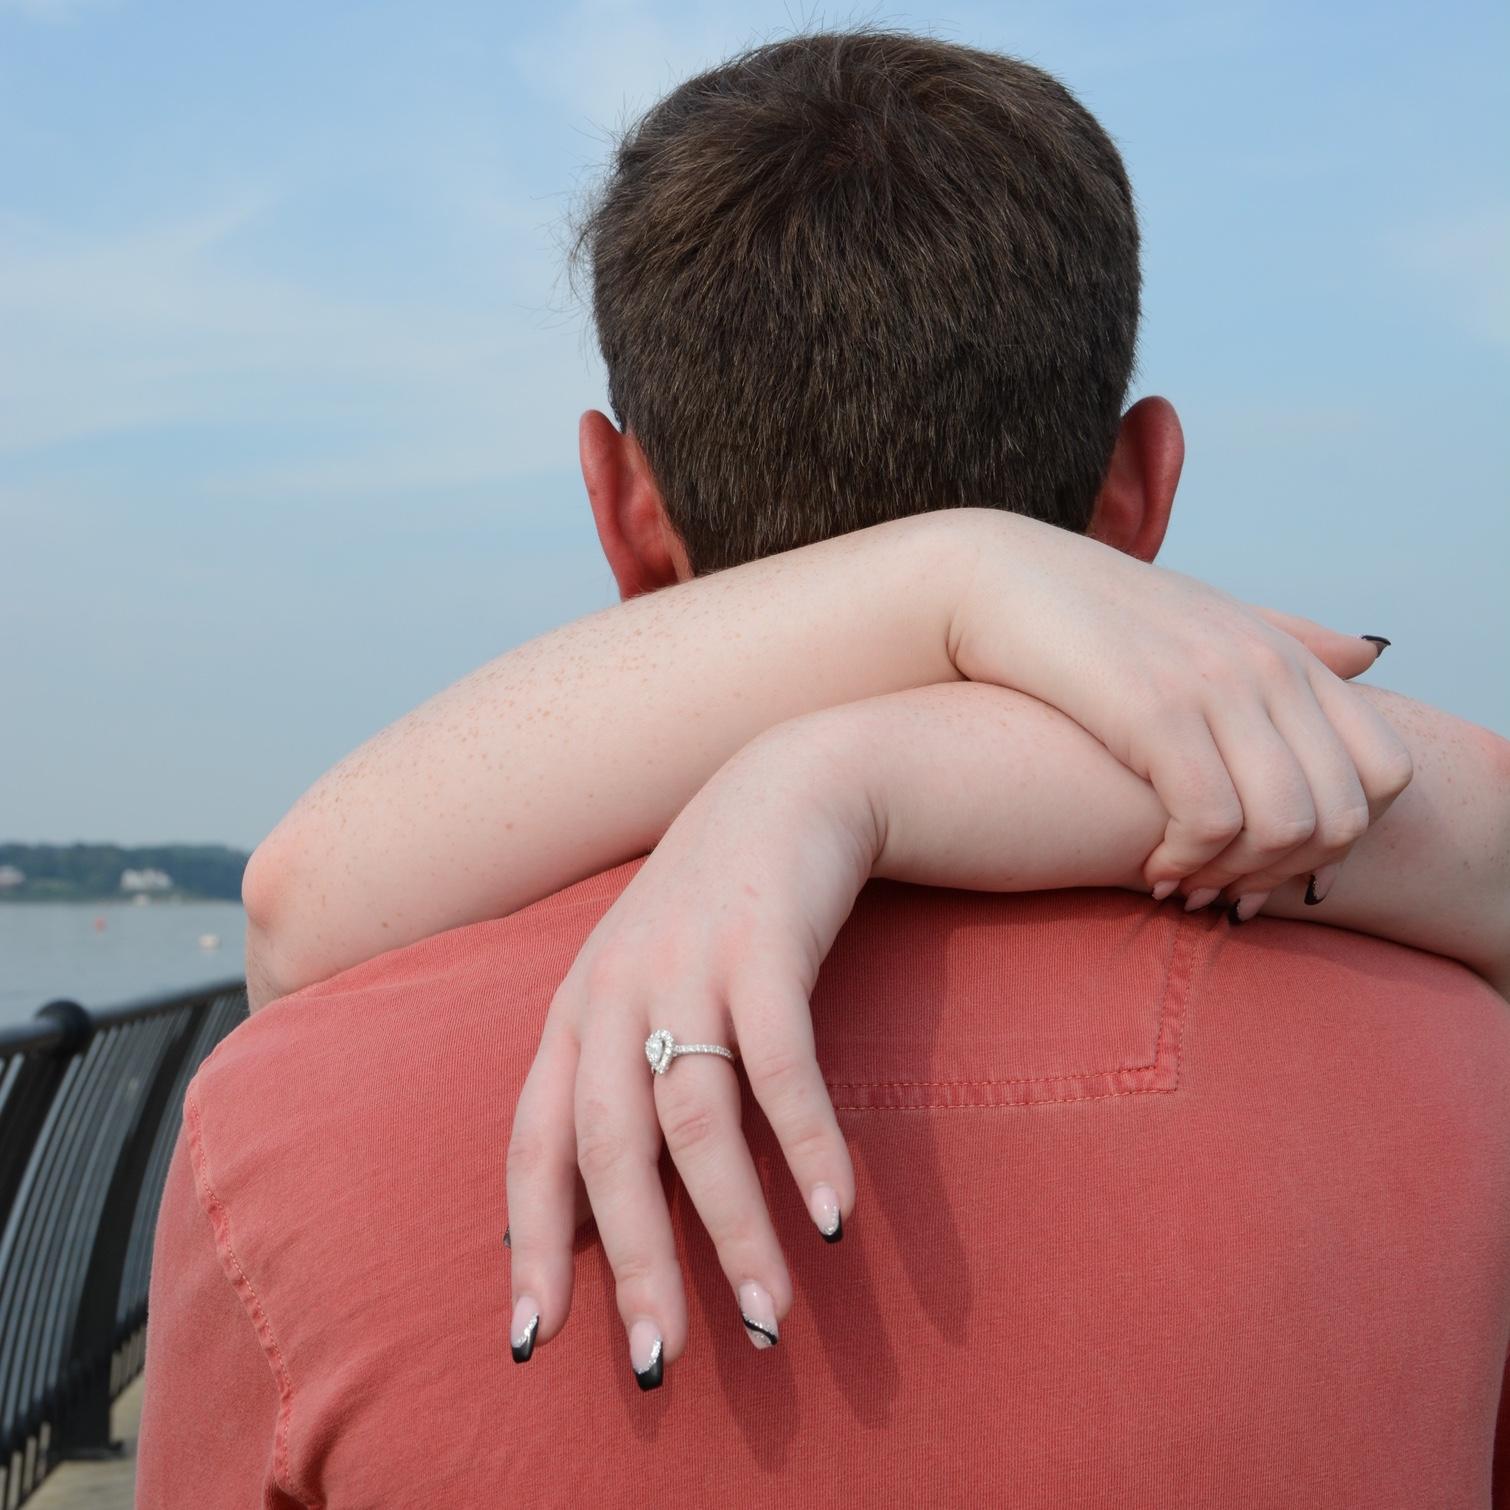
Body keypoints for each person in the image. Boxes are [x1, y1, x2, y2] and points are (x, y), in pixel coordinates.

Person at [137, 31, 1510, 1508]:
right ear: (1141, 488)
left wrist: (867, 729)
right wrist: (928, 654)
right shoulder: (1460, 1089)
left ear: (622, 506)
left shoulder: (282, 1129)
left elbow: (292, 903)